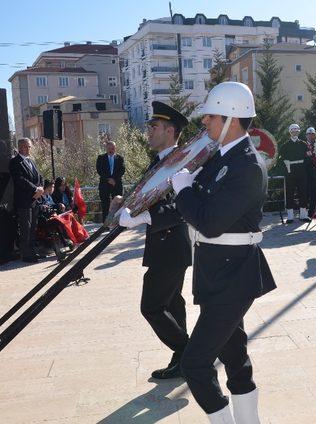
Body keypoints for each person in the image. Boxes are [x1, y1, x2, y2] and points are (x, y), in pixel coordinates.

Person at [170, 81, 276, 423]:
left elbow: (210, 221)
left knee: (194, 364)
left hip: (233, 276)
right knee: (235, 359)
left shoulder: (246, 165)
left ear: (231, 119)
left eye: (210, 118)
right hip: (218, 272)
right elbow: (199, 203)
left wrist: (184, 192)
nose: (205, 124)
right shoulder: (221, 158)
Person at [117, 101, 192, 380]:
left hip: (172, 245)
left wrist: (142, 218)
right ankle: (182, 358)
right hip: (165, 246)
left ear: (170, 131)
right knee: (172, 303)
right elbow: (148, 195)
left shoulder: (184, 162)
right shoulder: (160, 161)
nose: (148, 131)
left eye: (154, 126)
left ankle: (189, 353)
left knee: (151, 306)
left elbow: (181, 207)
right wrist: (126, 204)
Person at [9, 138, 44, 263]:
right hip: (24, 200)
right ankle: (26, 255)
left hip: (35, 200)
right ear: (20, 147)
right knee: (26, 228)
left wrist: (40, 189)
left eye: (30, 146)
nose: (29, 149)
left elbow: (40, 176)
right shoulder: (15, 162)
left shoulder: (31, 161)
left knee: (33, 227)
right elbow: (20, 180)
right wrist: (35, 189)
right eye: (27, 146)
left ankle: (33, 251)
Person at [279, 123, 310, 223]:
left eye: (296, 130)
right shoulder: (285, 146)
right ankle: (290, 216)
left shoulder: (304, 144)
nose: (294, 132)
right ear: (290, 132)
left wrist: (304, 167)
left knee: (303, 193)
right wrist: (285, 164)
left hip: (302, 172)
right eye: (292, 130)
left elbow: (308, 158)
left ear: (299, 131)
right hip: (290, 173)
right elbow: (281, 160)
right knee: (289, 193)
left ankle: (303, 215)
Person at [96, 141, 125, 222]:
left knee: (118, 204)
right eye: (109, 148)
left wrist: (114, 179)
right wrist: (108, 179)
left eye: (112, 148)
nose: (111, 150)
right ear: (106, 148)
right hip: (104, 184)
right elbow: (99, 170)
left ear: (115, 148)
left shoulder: (120, 158)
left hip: (117, 184)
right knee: (105, 204)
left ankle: (118, 222)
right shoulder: (101, 158)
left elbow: (122, 170)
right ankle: (106, 223)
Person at [305, 127, 316, 219]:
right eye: (309, 134)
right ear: (306, 135)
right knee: (306, 193)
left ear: (315, 135)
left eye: (312, 134)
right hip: (306, 173)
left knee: (314, 194)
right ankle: (304, 213)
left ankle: (311, 212)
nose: (311, 136)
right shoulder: (303, 145)